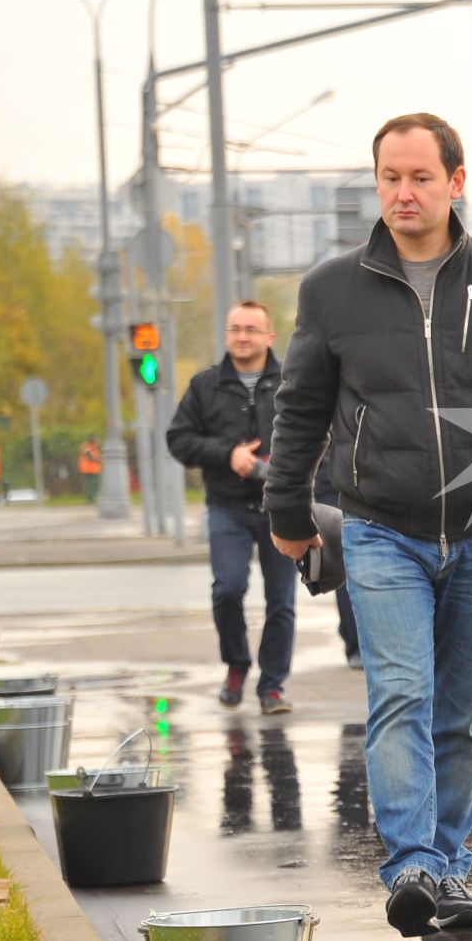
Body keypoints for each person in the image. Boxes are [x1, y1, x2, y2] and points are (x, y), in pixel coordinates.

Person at [265, 112, 472, 937]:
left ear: (456, 183)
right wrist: (287, 512)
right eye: (389, 177)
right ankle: (409, 859)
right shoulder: (332, 288)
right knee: (402, 693)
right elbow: (300, 406)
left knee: (463, 709)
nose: (403, 192)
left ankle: (447, 866)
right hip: (380, 525)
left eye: (420, 177)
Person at [166, 300, 295, 714]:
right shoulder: (205, 385)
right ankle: (236, 666)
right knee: (227, 589)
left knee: (282, 601)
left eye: (251, 330)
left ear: (269, 338)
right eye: (234, 329)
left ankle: (272, 686)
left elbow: (320, 434)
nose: (241, 337)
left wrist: (286, 465)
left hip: (281, 507)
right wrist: (228, 455)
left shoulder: (293, 381)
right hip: (227, 506)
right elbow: (179, 439)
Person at [312, 459, 360, 669]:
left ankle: (354, 636)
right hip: (329, 477)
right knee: (346, 564)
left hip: (368, 476)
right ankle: (355, 643)